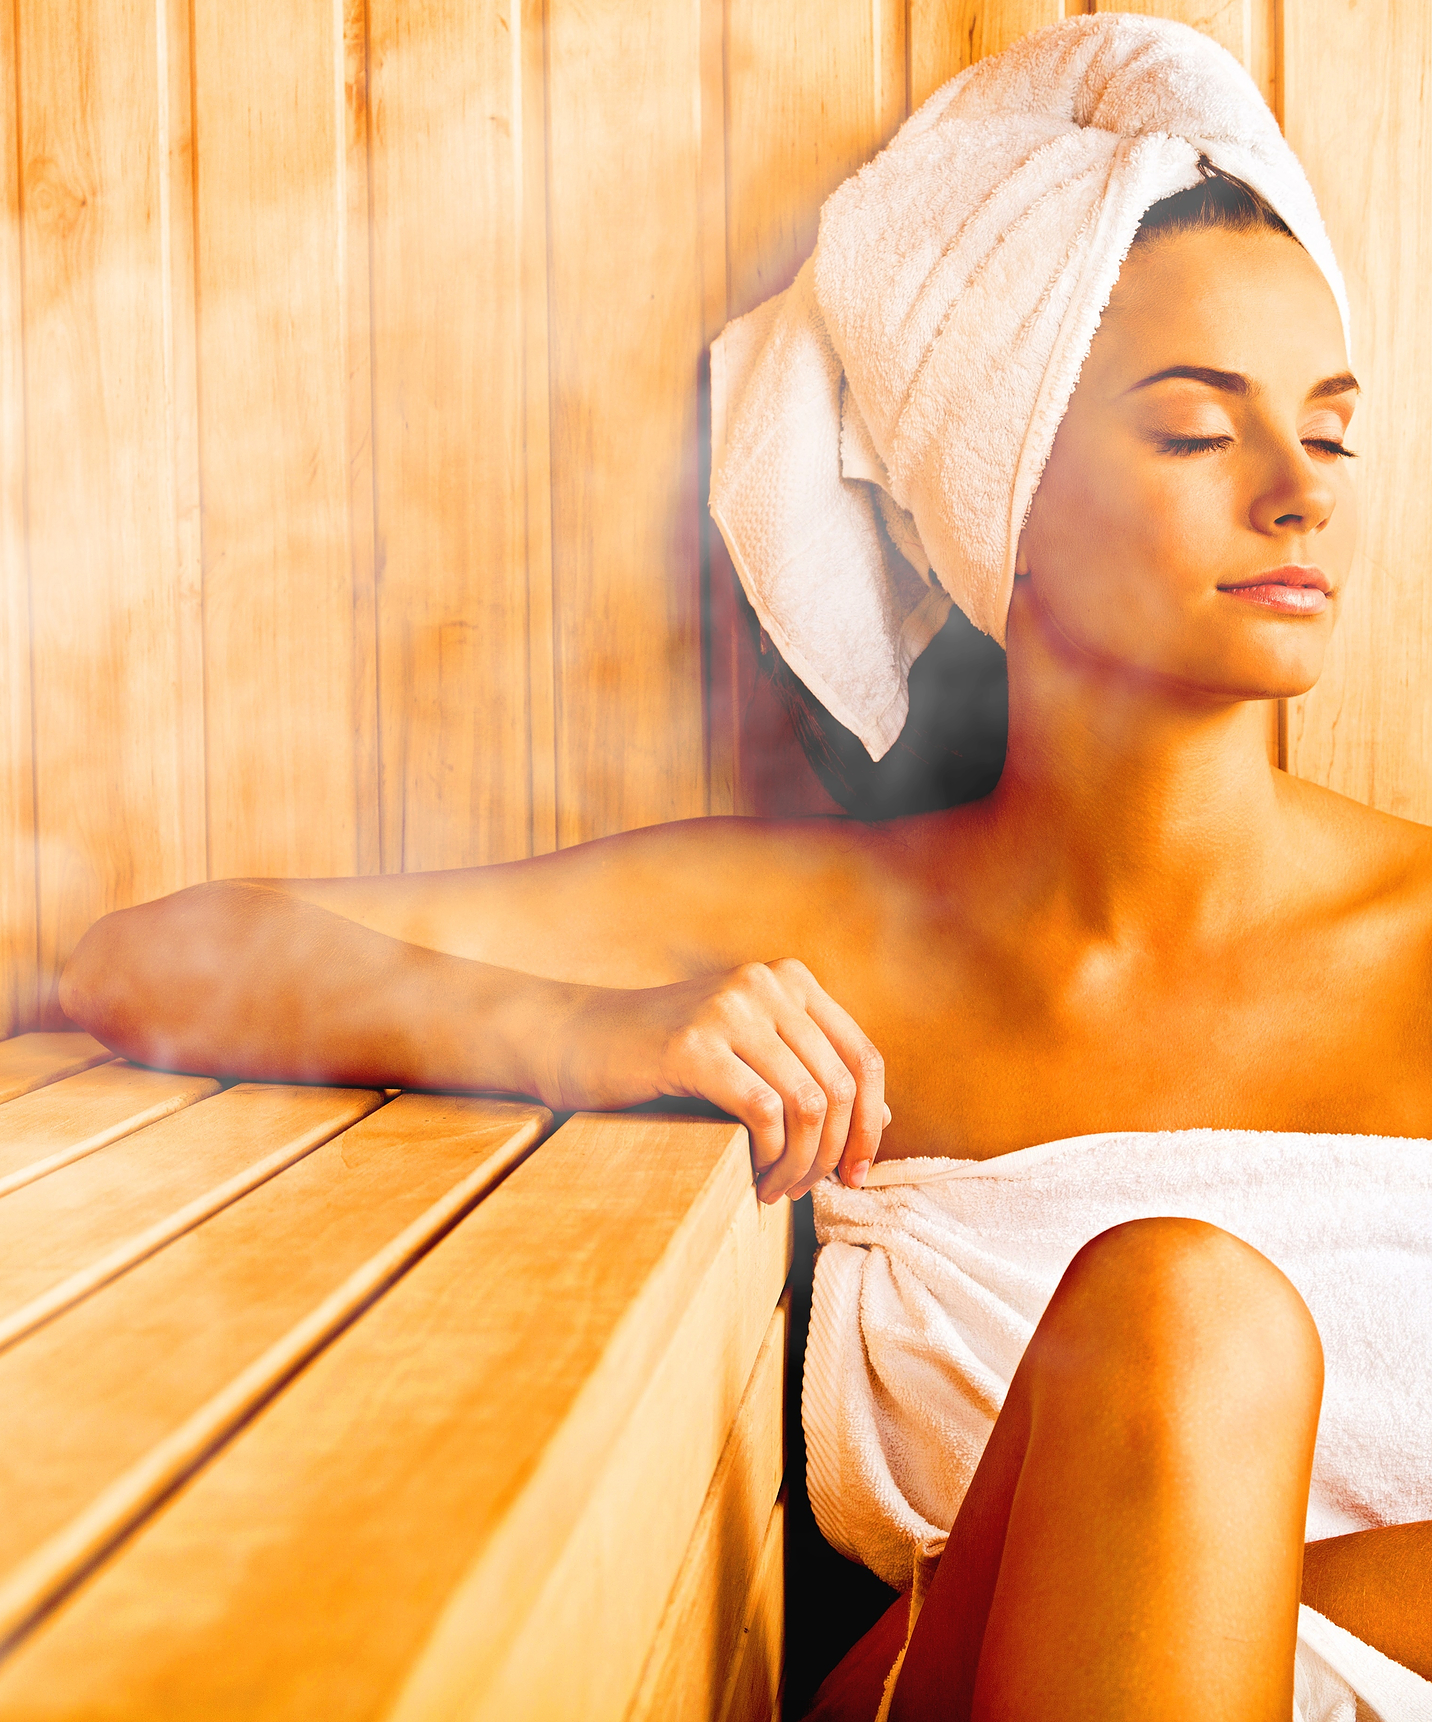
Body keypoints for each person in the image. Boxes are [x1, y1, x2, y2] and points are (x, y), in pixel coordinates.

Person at [59, 15, 1430, 1720]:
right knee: (1183, 1317)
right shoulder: (821, 931)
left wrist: (1159, 1568)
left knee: (1190, 1330)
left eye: (1333, 429)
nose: (1301, 492)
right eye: (1195, 430)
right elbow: (152, 953)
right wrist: (591, 1032)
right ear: (1000, 498)